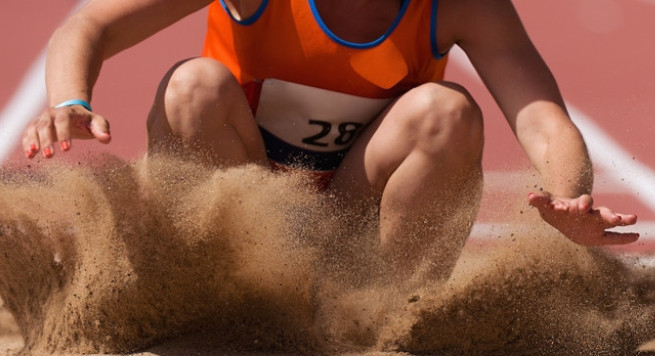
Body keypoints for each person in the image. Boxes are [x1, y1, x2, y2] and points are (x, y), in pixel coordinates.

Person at [21, 0, 639, 281]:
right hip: (242, 209)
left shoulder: (460, 6)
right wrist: (69, 99)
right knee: (194, 88)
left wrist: (569, 196)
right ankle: (204, 291)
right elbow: (91, 22)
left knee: (448, 112)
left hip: (352, 224)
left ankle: (387, 314)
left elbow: (542, 117)